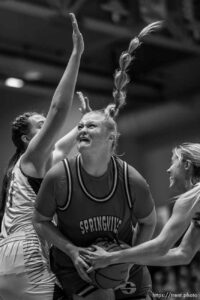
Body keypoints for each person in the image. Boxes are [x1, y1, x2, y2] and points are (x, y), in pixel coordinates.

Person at [33, 21, 162, 300]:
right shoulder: (59, 177)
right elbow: (40, 220)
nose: (82, 129)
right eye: (80, 126)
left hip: (123, 264)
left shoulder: (131, 179)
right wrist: (71, 250)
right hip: (75, 264)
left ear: (111, 139)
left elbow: (149, 222)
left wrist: (128, 259)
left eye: (91, 126)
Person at [0, 13, 84, 300]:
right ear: (27, 139)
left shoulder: (26, 165)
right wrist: (76, 54)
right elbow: (59, 110)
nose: (46, 125)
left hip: (6, 256)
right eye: (40, 125)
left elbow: (61, 147)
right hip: (27, 251)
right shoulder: (30, 158)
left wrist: (87, 122)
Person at [84, 143, 200, 270]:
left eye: (173, 162)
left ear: (187, 165)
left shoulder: (191, 198)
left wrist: (110, 257)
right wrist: (130, 256)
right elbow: (183, 254)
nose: (168, 169)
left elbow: (161, 247)